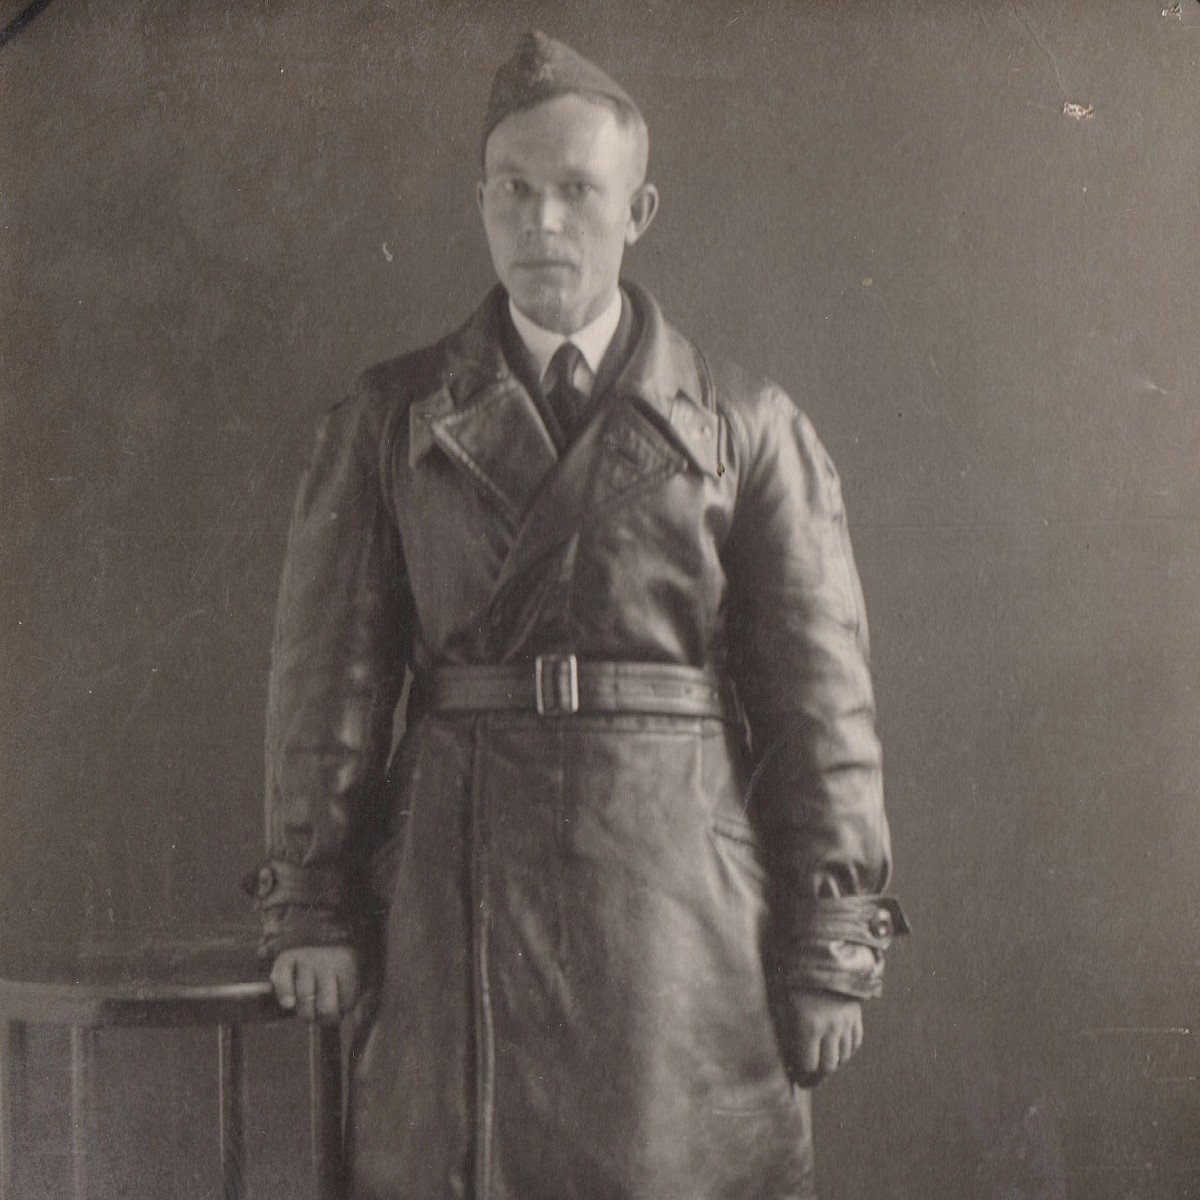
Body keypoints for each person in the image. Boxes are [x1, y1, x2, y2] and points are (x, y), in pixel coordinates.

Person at [248, 30, 907, 1200]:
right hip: (455, 898)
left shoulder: (745, 425)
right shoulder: (390, 419)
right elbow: (328, 685)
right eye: (513, 192)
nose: (542, 222)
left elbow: (821, 707)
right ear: (479, 204)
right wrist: (313, 903)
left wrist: (830, 940)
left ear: (636, 210)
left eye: (575, 192)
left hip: (681, 915)